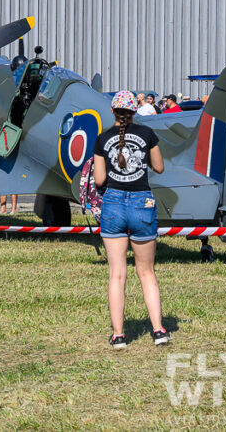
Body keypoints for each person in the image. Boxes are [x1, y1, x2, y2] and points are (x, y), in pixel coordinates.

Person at [92, 90, 168, 348]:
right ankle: (158, 331)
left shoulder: (102, 139)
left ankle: (119, 335)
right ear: (135, 111)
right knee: (146, 273)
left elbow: (100, 180)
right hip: (142, 203)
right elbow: (159, 168)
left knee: (117, 275)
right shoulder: (147, 135)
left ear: (113, 112)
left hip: (113, 204)